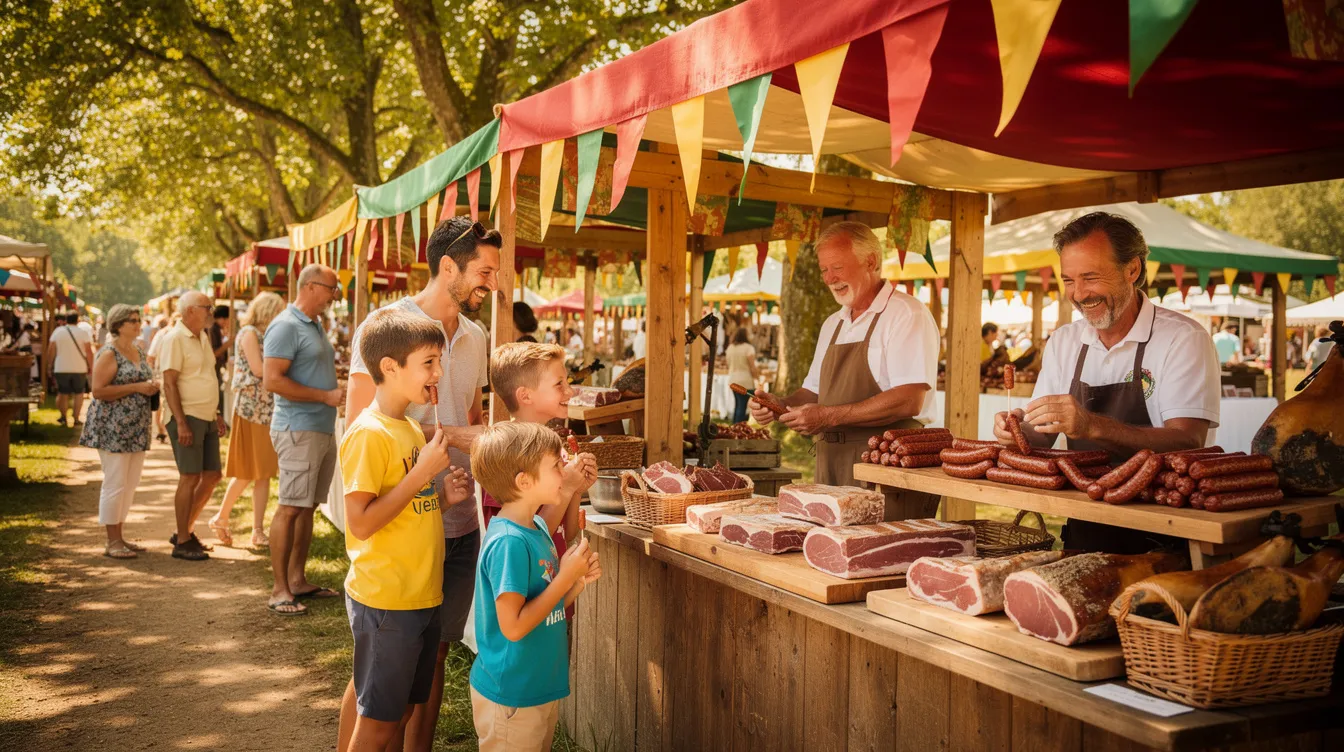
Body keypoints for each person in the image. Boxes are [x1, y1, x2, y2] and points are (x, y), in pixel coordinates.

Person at [345, 216, 496, 749]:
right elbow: (361, 422)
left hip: (454, 516)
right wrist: (445, 444)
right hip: (396, 529)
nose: (492, 283)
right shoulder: (386, 326)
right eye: (484, 270)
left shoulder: (477, 337)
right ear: (448, 266)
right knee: (377, 675)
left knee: (434, 650)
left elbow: (477, 419)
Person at [993, 212, 1219, 553]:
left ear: (1132, 270)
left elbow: (1189, 438)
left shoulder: (1183, 338)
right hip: (1088, 515)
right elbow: (1043, 432)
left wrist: (1091, 425)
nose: (1079, 294)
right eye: (1068, 280)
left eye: (1090, 277)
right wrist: (1017, 429)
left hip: (1167, 521)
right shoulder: (1064, 342)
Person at [333, 307, 471, 748]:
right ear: (390, 368)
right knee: (376, 722)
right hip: (388, 600)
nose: (438, 372)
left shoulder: (410, 428)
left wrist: (443, 495)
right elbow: (361, 522)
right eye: (428, 362)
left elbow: (411, 504)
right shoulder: (368, 433)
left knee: (403, 712)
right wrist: (421, 474)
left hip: (421, 594)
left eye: (439, 360)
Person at [748, 222, 940, 510]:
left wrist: (827, 416)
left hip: (884, 462)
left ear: (871, 261)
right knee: (830, 549)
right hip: (830, 463)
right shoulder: (833, 323)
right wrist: (780, 404)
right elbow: (813, 391)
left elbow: (909, 400)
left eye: (836, 267)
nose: (829, 278)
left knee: (881, 550)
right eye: (824, 269)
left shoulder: (905, 313)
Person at [467, 422, 601, 752]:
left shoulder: (538, 526)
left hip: (536, 686)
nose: (565, 469)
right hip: (511, 694)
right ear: (524, 481)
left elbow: (540, 603)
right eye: (556, 464)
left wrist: (575, 585)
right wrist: (565, 578)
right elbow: (513, 627)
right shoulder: (509, 543)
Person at [264, 264, 344, 609]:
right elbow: (273, 380)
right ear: (311, 286)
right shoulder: (284, 326)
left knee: (307, 506)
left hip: (319, 427)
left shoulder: (313, 325)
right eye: (332, 288)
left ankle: (297, 579)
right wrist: (325, 395)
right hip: (298, 426)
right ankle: (279, 589)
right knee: (290, 507)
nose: (334, 295)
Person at [485, 342, 595, 560]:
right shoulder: (504, 453)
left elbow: (568, 532)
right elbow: (522, 540)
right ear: (526, 396)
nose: (570, 391)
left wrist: (576, 489)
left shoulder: (555, 448)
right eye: (558, 384)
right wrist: (567, 489)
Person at [79, 305, 158, 559]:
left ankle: (120, 537)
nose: (137, 324)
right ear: (118, 325)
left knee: (130, 483)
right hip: (113, 427)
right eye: (132, 320)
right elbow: (98, 391)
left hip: (135, 426)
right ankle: (112, 541)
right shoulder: (109, 353)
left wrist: (150, 387)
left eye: (138, 319)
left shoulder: (137, 350)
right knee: (115, 482)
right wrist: (137, 387)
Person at [209, 292, 284, 548]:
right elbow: (258, 369)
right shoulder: (250, 333)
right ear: (268, 311)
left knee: (262, 473)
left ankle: (256, 530)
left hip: (264, 409)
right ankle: (221, 517)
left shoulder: (260, 333)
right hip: (253, 409)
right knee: (248, 472)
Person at [160, 291, 228, 561]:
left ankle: (183, 532)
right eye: (206, 307)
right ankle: (183, 540)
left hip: (207, 415)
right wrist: (181, 422)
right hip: (187, 417)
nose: (211, 311)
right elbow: (169, 383)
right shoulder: (175, 338)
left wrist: (217, 413)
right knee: (189, 477)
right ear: (190, 311)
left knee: (212, 476)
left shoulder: (201, 335)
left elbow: (206, 377)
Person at [49, 312, 94, 427]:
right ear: (77, 320)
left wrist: (49, 365)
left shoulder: (58, 331)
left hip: (61, 367)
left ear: (65, 320)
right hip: (79, 367)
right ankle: (76, 418)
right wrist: (91, 366)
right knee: (79, 393)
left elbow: (51, 349)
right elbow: (88, 351)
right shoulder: (82, 333)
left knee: (63, 393)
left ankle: (63, 417)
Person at [148, 314, 177, 443]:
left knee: (162, 402)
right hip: (170, 374)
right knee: (167, 402)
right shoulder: (179, 334)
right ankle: (164, 429)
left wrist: (151, 373)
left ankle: (161, 430)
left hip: (161, 372)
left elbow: (151, 355)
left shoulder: (161, 334)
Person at [725, 327, 760, 423]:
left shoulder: (730, 348)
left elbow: (728, 364)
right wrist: (757, 379)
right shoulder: (748, 348)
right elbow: (752, 366)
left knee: (738, 404)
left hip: (733, 379)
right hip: (745, 380)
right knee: (742, 406)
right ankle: (738, 427)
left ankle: (734, 427)